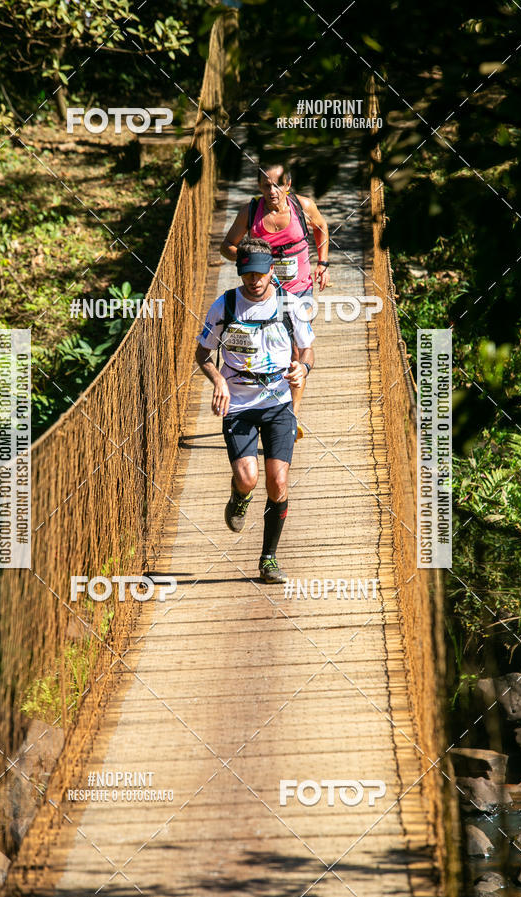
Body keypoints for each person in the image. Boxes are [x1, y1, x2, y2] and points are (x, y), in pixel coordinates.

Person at [195, 237, 315, 584]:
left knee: (278, 482)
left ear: (270, 271)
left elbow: (307, 351)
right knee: (248, 477)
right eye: (248, 274)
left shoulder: (290, 306)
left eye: (260, 273)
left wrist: (302, 370)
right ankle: (239, 494)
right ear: (240, 271)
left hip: (278, 403)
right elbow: (202, 355)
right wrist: (218, 381)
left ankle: (268, 559)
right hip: (240, 404)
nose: (254, 280)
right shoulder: (225, 305)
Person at [219, 162, 329, 437]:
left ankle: (291, 414)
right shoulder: (251, 212)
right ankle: (272, 406)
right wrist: (250, 259)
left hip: (300, 289)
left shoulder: (303, 206)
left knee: (296, 349)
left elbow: (322, 228)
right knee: (275, 347)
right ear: (259, 186)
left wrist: (323, 263)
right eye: (266, 185)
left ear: (288, 185)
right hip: (267, 293)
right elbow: (227, 246)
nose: (272, 191)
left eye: (277, 184)